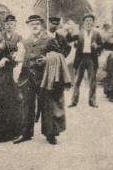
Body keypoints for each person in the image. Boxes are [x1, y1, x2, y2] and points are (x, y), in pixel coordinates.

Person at [15, 15, 71, 144]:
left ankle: (50, 134)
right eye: (32, 24)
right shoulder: (25, 41)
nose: (34, 26)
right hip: (27, 77)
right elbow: (20, 57)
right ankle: (26, 133)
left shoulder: (49, 40)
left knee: (47, 105)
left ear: (41, 25)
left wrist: (47, 59)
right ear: (28, 26)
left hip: (44, 78)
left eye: (37, 24)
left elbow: (60, 55)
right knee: (27, 105)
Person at [69, 14, 102, 108]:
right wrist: (70, 32)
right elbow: (70, 40)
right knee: (77, 81)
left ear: (93, 23)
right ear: (83, 23)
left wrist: (97, 47)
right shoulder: (78, 33)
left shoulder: (97, 34)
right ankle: (74, 101)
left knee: (92, 81)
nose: (88, 22)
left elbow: (102, 45)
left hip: (92, 58)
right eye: (87, 21)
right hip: (81, 59)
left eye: (90, 21)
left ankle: (92, 101)